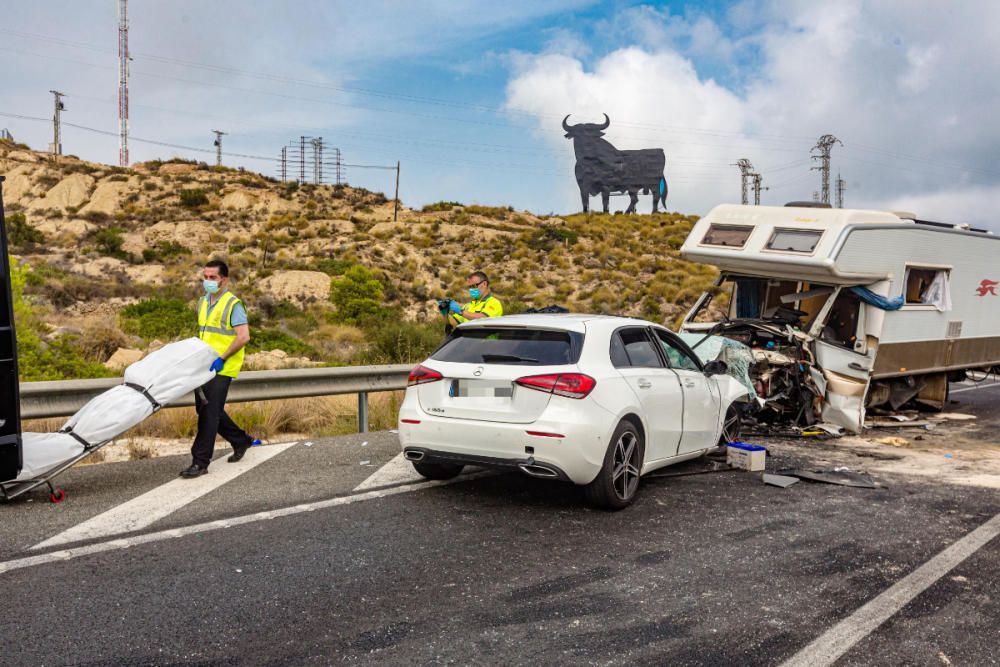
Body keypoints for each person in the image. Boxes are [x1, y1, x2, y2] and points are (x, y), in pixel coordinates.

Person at [180, 259, 256, 478]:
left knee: (208, 414)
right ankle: (241, 441)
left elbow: (243, 337)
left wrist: (222, 358)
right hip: (205, 366)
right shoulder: (203, 302)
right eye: (206, 277)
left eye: (213, 277)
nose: (208, 281)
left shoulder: (233, 304)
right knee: (206, 410)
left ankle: (200, 462)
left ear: (224, 279)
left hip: (223, 367)